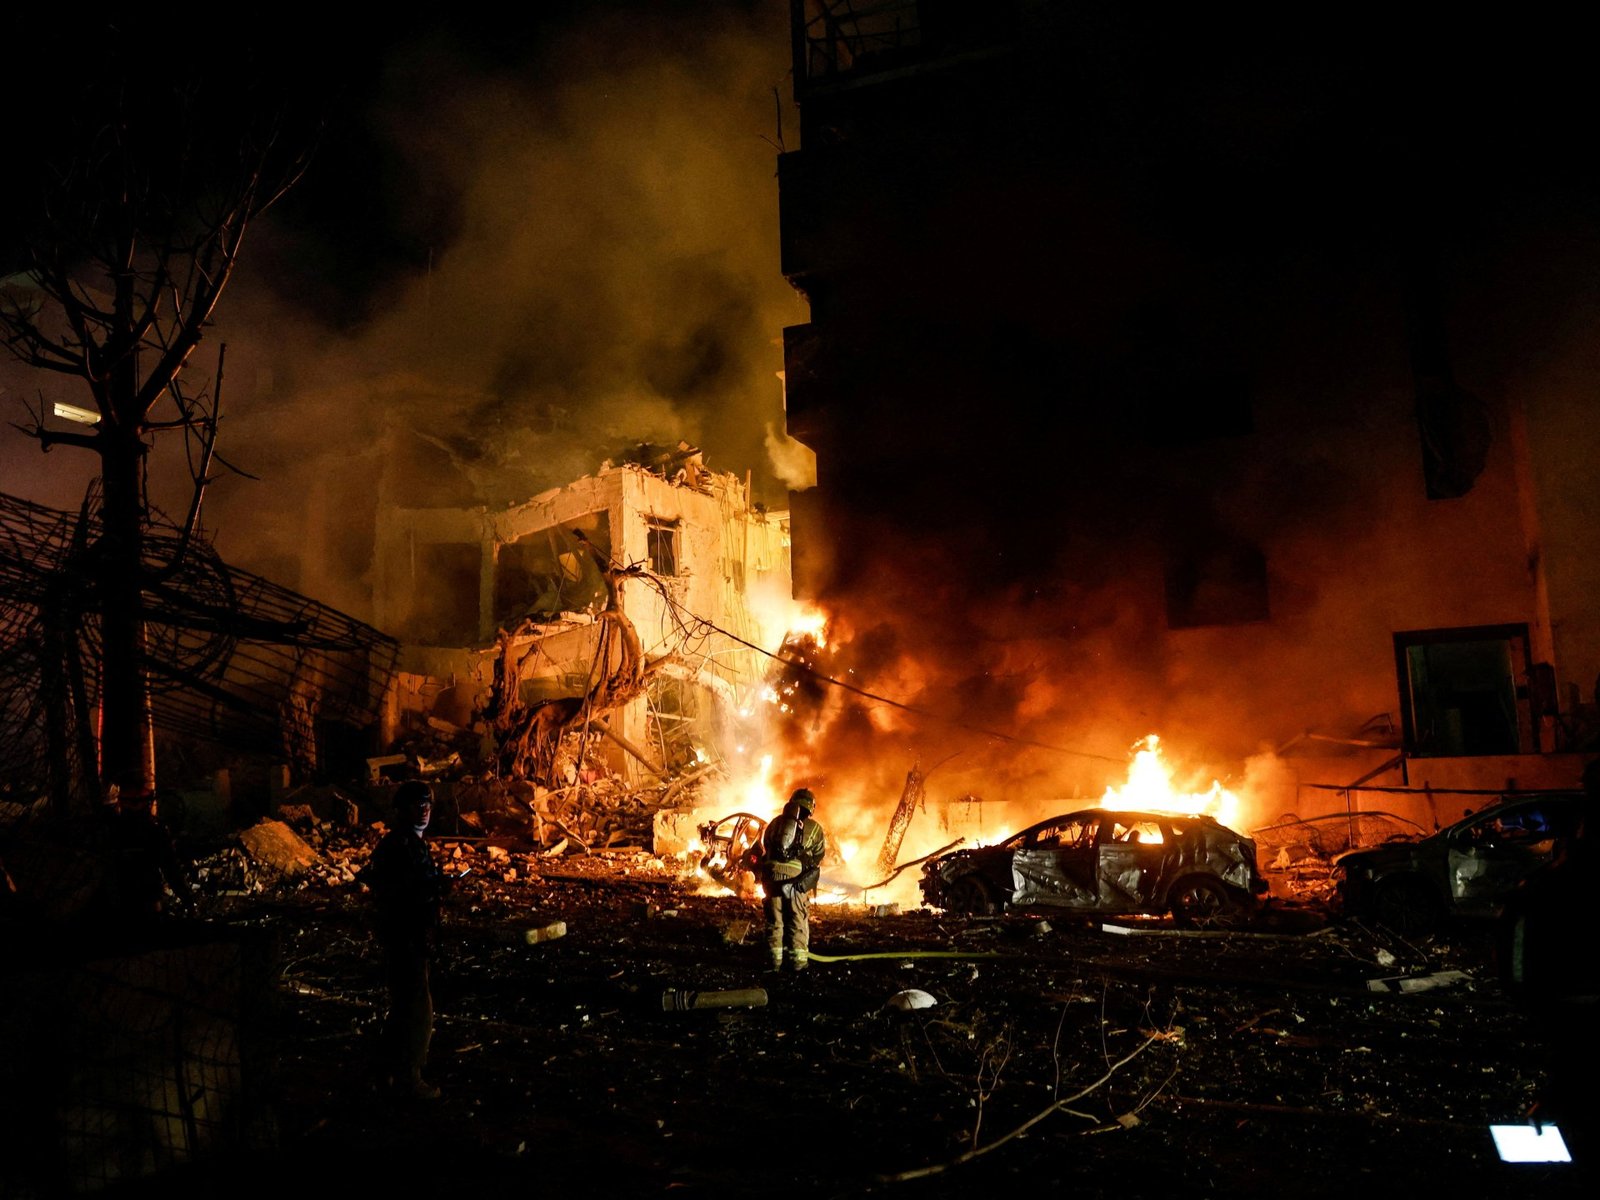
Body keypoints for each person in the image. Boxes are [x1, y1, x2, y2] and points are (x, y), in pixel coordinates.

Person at [358, 781, 447, 1100]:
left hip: (403, 934)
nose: (424, 810)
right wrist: (435, 891)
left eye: (427, 804)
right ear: (401, 809)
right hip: (406, 935)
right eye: (416, 804)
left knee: (402, 1006)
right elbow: (402, 892)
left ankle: (384, 1073)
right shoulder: (403, 846)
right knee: (417, 1007)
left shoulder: (403, 844)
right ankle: (409, 1076)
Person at [758, 787, 827, 974]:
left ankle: (774, 963)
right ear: (811, 807)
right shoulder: (814, 827)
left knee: (775, 920)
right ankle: (798, 963)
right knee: (797, 919)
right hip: (795, 880)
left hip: (771, 878)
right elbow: (819, 854)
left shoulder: (774, 823)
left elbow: (766, 845)